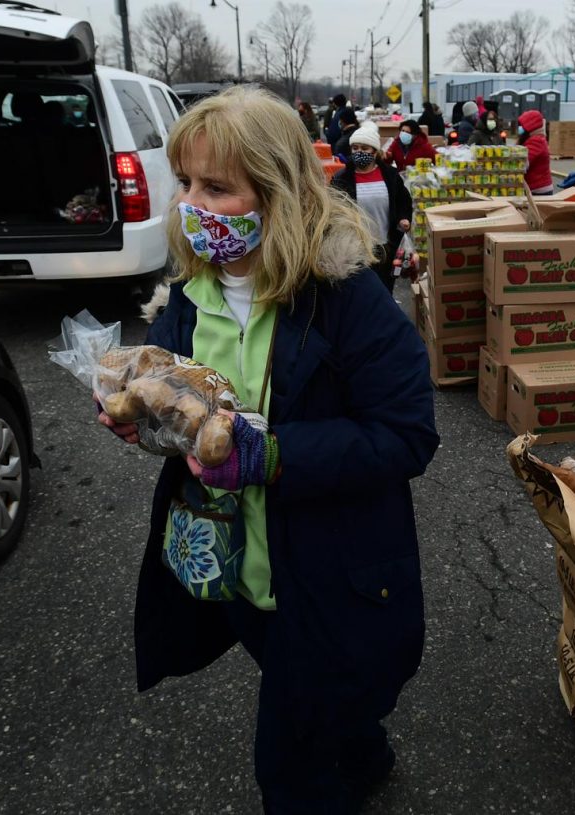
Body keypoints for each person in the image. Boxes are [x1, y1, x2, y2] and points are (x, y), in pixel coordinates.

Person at [97, 84, 439, 814]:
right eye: (185, 182)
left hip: (323, 574)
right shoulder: (190, 292)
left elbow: (407, 433)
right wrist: (147, 421)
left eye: (216, 187)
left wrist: (273, 455)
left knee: (288, 771)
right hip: (231, 568)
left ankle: (338, 755)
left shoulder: (345, 298)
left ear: (278, 192)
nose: (192, 204)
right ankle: (363, 750)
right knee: (314, 700)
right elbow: (176, 395)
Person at [331, 122, 414, 294]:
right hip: (356, 250)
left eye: (364, 148)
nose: (359, 152)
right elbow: (334, 210)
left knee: (385, 290)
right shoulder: (341, 179)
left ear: (375, 152)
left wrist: (403, 218)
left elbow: (403, 201)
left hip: (386, 246)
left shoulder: (390, 175)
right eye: (355, 148)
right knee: (361, 293)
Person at [516, 109, 553, 195]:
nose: (520, 128)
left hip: (538, 189)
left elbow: (523, 163)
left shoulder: (536, 141)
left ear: (530, 126)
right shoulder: (534, 139)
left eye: (522, 125)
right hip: (535, 187)